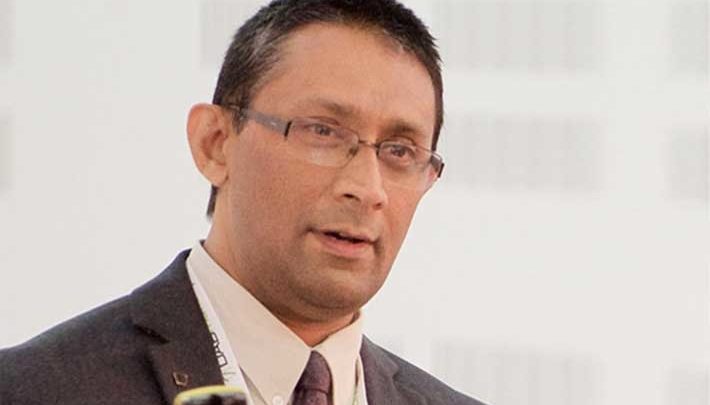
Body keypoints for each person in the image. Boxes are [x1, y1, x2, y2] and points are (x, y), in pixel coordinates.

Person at [0, 1, 485, 404]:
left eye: (400, 152)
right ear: (214, 143)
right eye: (323, 132)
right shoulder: (34, 389)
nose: (368, 188)